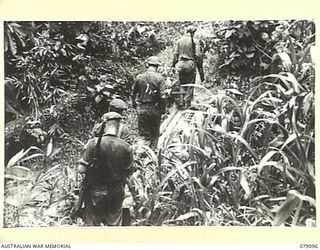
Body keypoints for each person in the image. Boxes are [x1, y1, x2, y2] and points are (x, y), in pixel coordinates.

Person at [77, 112, 134, 226]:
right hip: (116, 191)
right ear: (118, 126)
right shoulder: (126, 146)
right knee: (114, 224)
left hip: (96, 190)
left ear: (104, 125)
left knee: (93, 224)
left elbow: (81, 169)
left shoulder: (94, 143)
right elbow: (129, 174)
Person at [131, 56, 167, 149]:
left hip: (142, 108)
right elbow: (163, 96)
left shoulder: (139, 77)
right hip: (154, 109)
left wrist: (134, 104)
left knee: (143, 135)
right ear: (157, 66)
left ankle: (140, 155)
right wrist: (163, 109)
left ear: (148, 65)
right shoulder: (160, 78)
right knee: (155, 135)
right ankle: (152, 157)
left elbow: (133, 93)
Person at [172, 25, 205, 108]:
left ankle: (181, 101)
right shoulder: (195, 41)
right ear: (193, 32)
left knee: (182, 82)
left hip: (180, 64)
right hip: (190, 64)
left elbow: (175, 54)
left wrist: (173, 65)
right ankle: (187, 103)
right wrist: (200, 67)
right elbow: (198, 55)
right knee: (190, 83)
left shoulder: (179, 41)